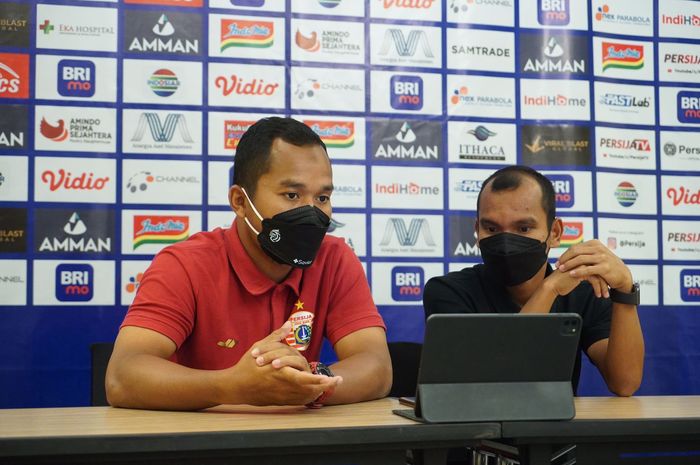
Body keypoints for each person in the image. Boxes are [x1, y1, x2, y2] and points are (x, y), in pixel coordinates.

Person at [106, 117, 392, 410]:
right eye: (292, 195)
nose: (311, 212)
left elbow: (377, 367)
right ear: (240, 201)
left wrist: (311, 382)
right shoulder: (183, 265)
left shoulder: (335, 259)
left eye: (322, 197)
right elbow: (123, 376)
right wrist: (233, 386)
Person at [423, 165, 644, 396]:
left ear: (555, 233)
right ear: (477, 231)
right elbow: (496, 386)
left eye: (524, 228)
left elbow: (625, 382)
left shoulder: (583, 293)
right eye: (491, 228)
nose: (506, 241)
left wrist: (624, 291)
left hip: (556, 430)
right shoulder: (448, 292)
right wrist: (549, 289)